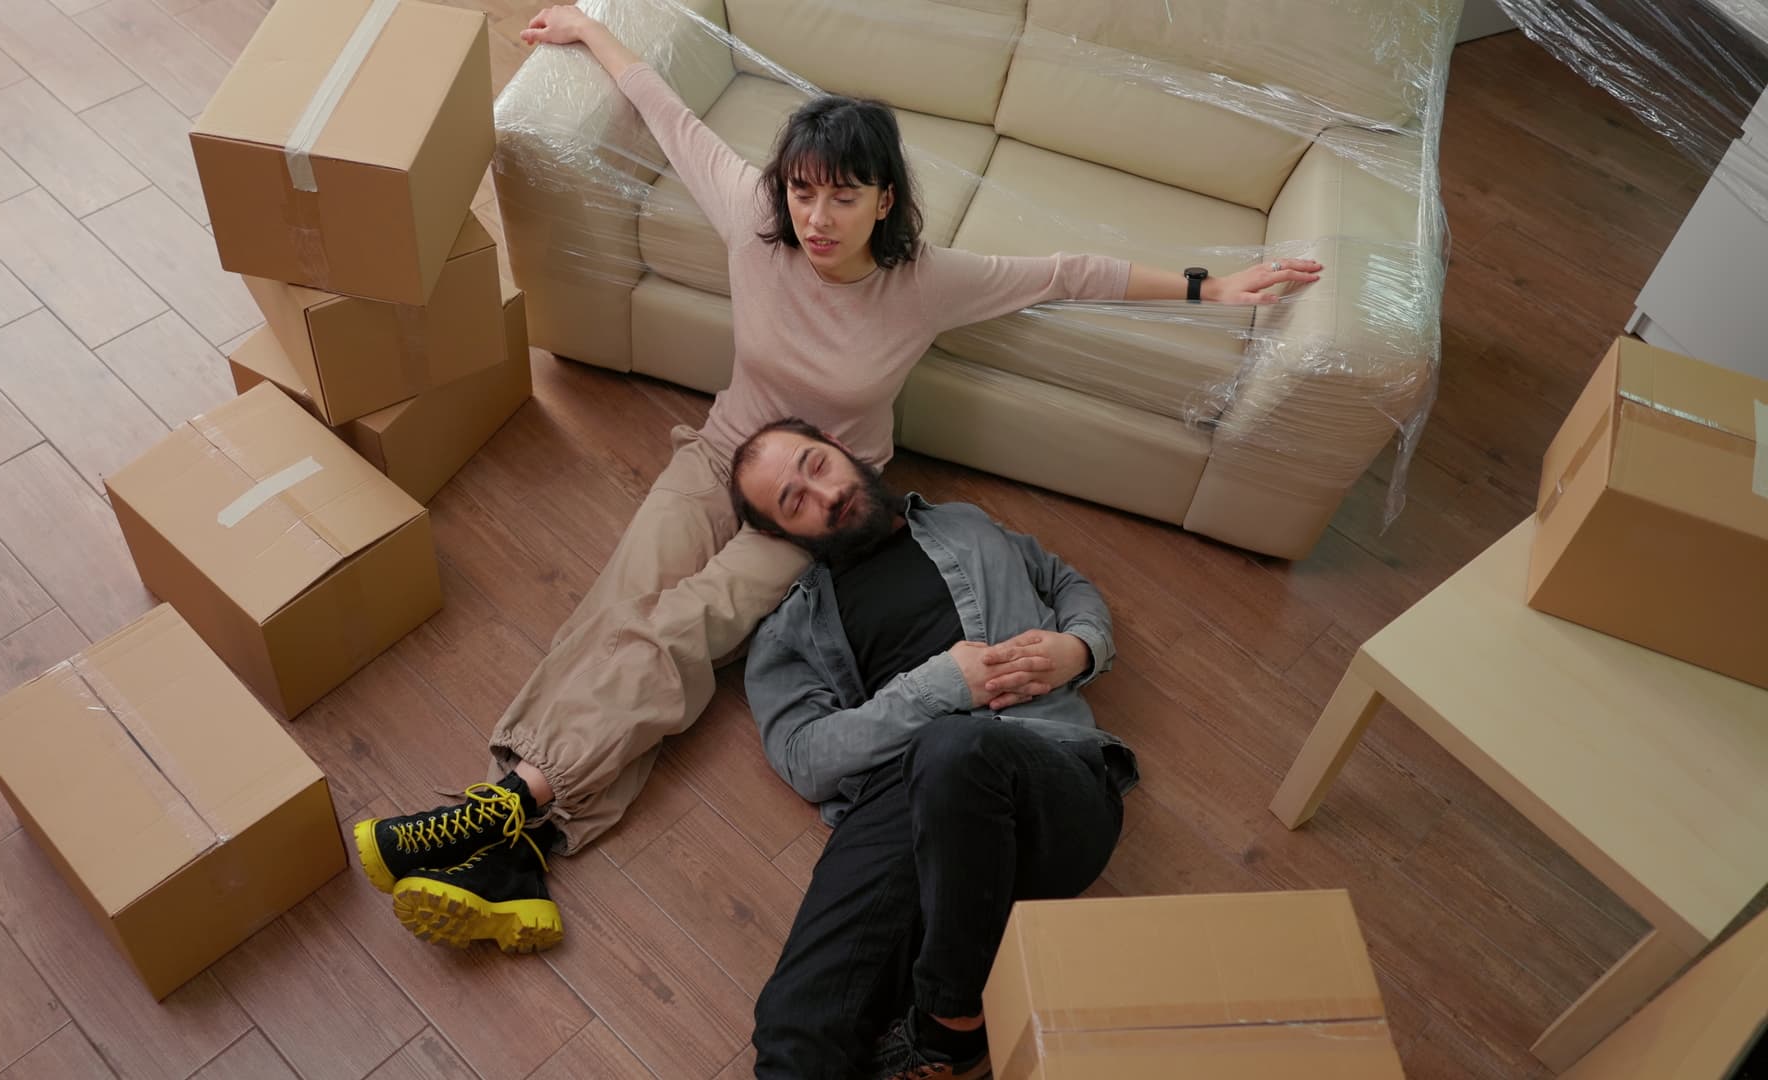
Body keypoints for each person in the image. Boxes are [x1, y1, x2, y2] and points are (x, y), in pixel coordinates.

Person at [352, 1, 1298, 953]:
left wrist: (1208, 288)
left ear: (884, 200)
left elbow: (1065, 271)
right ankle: (519, 837)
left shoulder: (924, 281)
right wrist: (592, 33)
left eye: (843, 196)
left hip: (813, 506)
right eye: (803, 192)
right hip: (722, 455)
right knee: (619, 603)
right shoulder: (757, 222)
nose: (816, 217)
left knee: (688, 626)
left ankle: (508, 810)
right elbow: (670, 116)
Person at [729, 418, 1138, 1079]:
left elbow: (1066, 582)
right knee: (794, 1026)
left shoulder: (966, 525)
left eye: (816, 465)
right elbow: (805, 758)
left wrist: (1081, 647)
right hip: (907, 818)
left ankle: (949, 1028)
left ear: (847, 455)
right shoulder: (789, 634)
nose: (822, 493)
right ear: (783, 535)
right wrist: (941, 684)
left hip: (1053, 782)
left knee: (955, 748)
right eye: (793, 501)